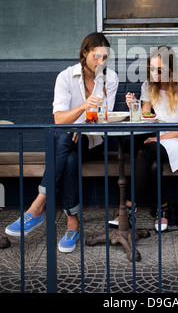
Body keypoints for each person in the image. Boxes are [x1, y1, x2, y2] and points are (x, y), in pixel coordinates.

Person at [6, 33, 119, 252]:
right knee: (68, 155)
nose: (101, 63)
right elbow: (59, 119)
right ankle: (72, 224)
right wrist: (83, 109)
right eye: (97, 57)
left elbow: (106, 119)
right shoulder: (66, 77)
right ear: (85, 52)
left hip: (93, 144)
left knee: (65, 136)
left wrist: (80, 127)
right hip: (67, 144)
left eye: (105, 58)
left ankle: (37, 207)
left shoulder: (110, 78)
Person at [110, 45, 178, 232]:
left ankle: (127, 209)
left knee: (145, 151)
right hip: (157, 137)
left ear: (171, 69)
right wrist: (133, 106)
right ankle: (163, 207)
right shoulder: (147, 86)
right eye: (151, 69)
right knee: (141, 153)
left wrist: (160, 139)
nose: (155, 74)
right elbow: (144, 121)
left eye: (160, 70)